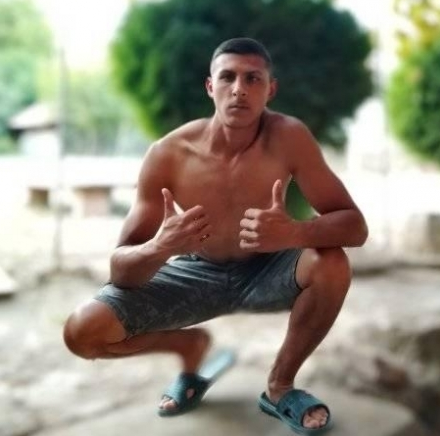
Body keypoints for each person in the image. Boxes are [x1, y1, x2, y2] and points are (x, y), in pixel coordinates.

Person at [63, 37, 368, 433]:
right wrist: (161, 247)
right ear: (211, 86)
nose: (239, 89)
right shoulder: (168, 153)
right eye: (227, 77)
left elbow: (355, 226)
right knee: (82, 332)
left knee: (332, 263)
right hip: (196, 273)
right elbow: (121, 272)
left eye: (253, 78)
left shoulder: (289, 137)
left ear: (270, 90)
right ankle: (188, 347)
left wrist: (293, 232)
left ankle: (280, 386)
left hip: (268, 268)